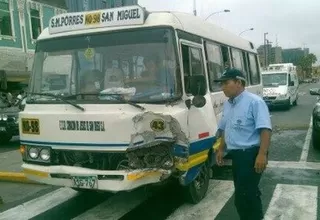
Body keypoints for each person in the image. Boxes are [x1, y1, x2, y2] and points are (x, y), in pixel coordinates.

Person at [214, 68, 272, 220]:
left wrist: (262, 154)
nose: (223, 88)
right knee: (243, 195)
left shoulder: (255, 102)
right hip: (238, 157)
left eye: (226, 83)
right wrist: (221, 149)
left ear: (239, 82)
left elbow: (265, 129)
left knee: (246, 196)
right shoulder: (228, 104)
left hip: (251, 154)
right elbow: (227, 128)